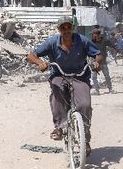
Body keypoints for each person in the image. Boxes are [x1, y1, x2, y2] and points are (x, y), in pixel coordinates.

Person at [26, 16, 101, 150]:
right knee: (57, 93)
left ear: (72, 28)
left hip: (80, 76)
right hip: (59, 75)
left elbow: (97, 53)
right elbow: (31, 55)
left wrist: (96, 62)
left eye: (68, 27)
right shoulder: (52, 42)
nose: (66, 30)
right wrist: (40, 63)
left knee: (85, 104)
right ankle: (60, 127)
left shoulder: (82, 40)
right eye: (63, 28)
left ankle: (85, 139)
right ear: (59, 29)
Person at [89, 29, 113, 94]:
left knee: (106, 76)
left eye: (92, 34)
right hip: (96, 62)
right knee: (95, 77)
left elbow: (112, 45)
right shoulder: (91, 42)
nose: (91, 36)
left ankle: (109, 89)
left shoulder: (104, 41)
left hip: (101, 62)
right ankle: (97, 90)